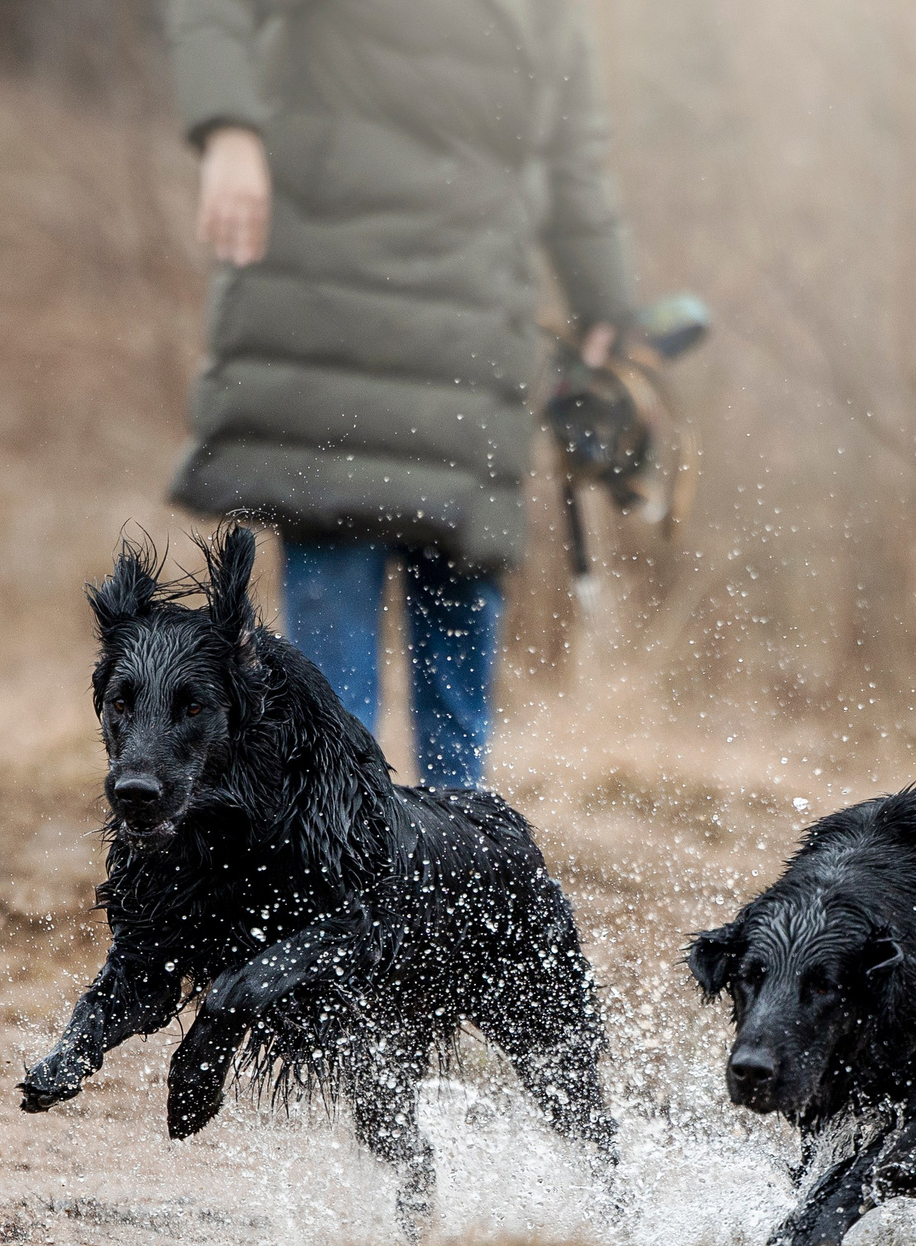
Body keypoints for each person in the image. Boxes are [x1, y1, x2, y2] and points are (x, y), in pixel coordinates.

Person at [165, 0, 638, 789]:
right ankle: (335, 885)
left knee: (455, 641)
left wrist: (609, 312)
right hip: (341, 324)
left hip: (475, 348)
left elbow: (572, 161)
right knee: (335, 665)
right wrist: (228, 128)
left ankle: (452, 890)